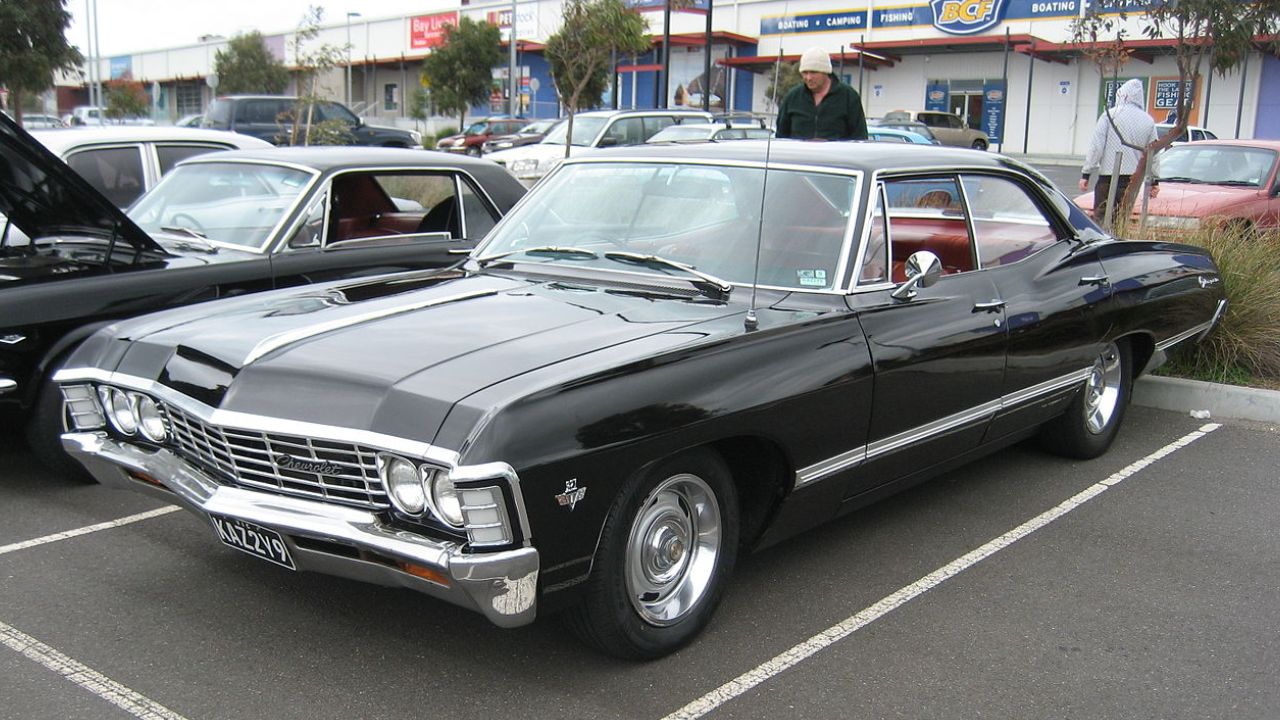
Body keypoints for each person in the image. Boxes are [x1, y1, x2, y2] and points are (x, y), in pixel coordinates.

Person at [1079, 78, 1159, 223]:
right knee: (1121, 219)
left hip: (1107, 177)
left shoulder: (1110, 116)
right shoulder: (1148, 120)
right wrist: (1154, 180)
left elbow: (1096, 146)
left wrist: (1086, 173)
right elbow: (1153, 153)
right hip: (1132, 179)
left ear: (1122, 95)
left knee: (1102, 218)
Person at [777, 47, 868, 141]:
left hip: (836, 155)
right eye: (805, 72)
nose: (808, 78)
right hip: (799, 155)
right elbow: (780, 137)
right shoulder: (792, 98)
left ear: (826, 72)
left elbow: (860, 138)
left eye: (813, 72)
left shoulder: (849, 97)